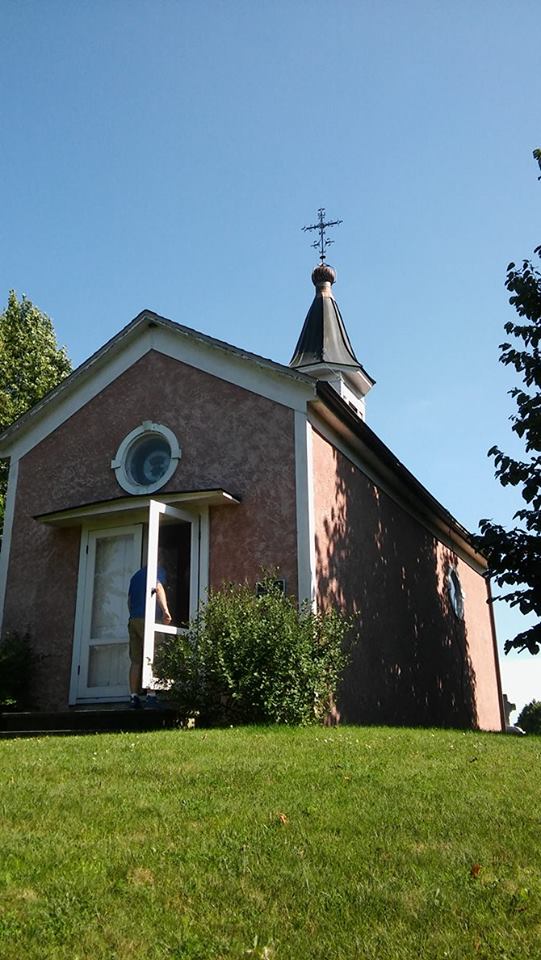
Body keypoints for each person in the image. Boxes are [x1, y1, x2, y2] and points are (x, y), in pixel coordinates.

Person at [127, 564, 172, 708]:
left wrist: (135, 615)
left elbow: (129, 601)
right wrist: (165, 611)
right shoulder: (158, 570)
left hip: (134, 620)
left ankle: (133, 697)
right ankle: (151, 695)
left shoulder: (135, 576)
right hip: (149, 619)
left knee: (136, 660)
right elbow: (158, 587)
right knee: (155, 655)